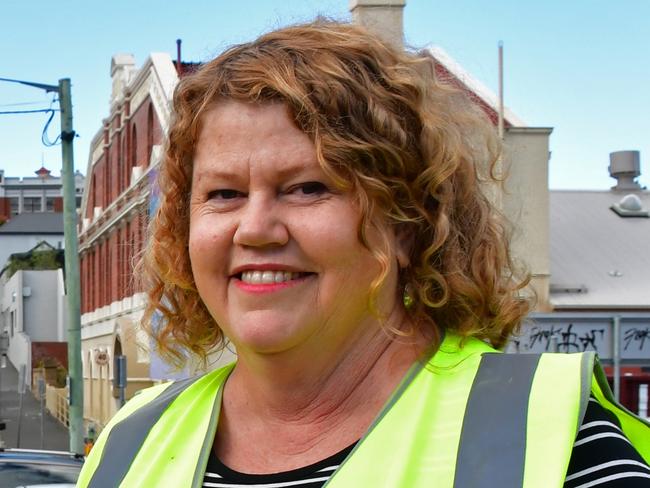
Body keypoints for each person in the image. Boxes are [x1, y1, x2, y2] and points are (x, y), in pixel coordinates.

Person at [77, 21, 650, 488]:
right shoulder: (130, 444)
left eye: (308, 187)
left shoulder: (553, 442)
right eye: (223, 194)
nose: (254, 228)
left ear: (408, 221)